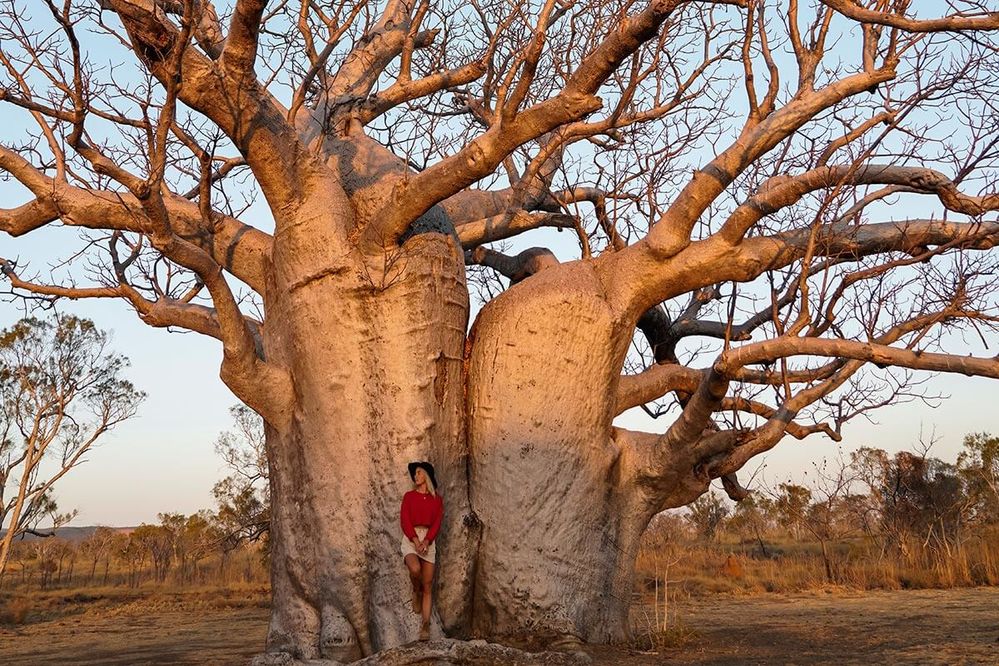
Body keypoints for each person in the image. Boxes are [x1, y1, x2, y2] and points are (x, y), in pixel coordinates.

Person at [400, 460, 443, 641]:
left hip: (428, 541)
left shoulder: (436, 499)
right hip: (411, 539)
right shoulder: (409, 496)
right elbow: (405, 520)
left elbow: (437, 523)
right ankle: (414, 589)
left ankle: (425, 626)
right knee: (415, 569)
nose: (415, 476)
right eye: (414, 473)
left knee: (428, 586)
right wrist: (417, 541)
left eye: (418, 472)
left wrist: (427, 541)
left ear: (426, 475)